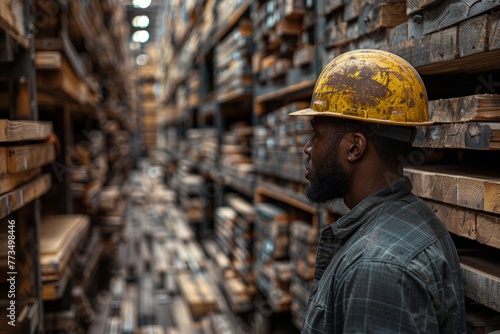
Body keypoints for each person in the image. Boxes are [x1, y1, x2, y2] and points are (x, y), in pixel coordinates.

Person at [289, 49, 466, 333]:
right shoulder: (410, 217)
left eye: (316, 135)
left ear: (354, 147)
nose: (308, 148)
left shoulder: (378, 269)